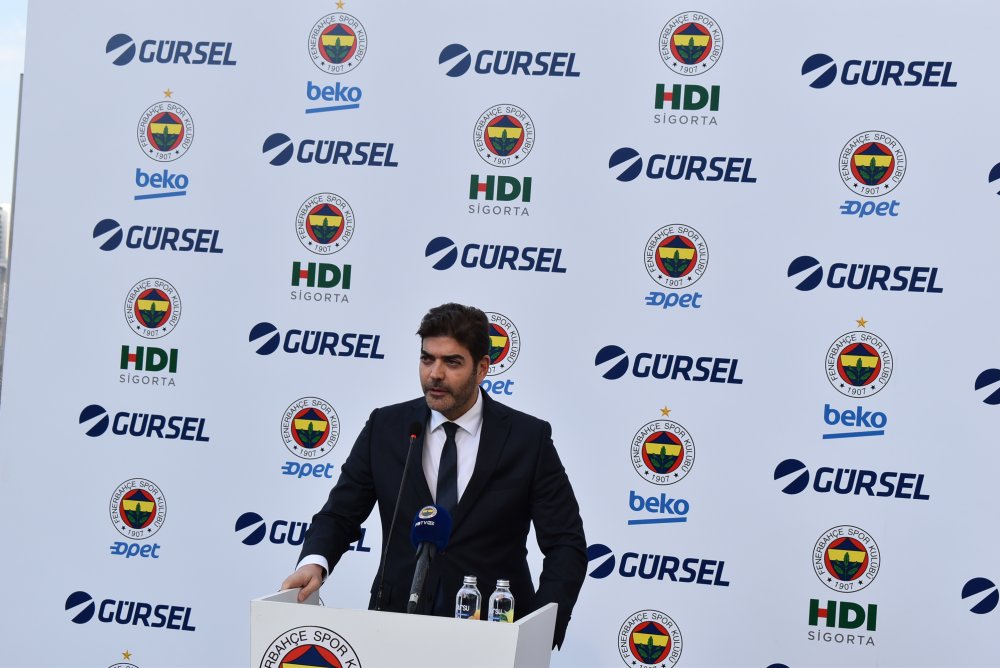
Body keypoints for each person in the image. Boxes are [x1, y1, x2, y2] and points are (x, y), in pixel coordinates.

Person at [281, 303, 587, 648]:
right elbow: (339, 514)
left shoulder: (527, 438)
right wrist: (315, 562)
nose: (435, 374)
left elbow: (566, 543)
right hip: (394, 625)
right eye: (427, 359)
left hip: (494, 636)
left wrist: (541, 626)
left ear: (482, 368)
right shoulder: (387, 427)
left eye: (452, 362)